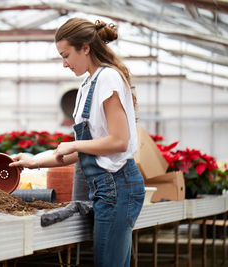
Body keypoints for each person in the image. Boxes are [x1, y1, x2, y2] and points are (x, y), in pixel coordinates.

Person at [10, 17, 145, 266]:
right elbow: (84, 151)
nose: (64, 64)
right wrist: (32, 162)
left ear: (85, 47)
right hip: (105, 190)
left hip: (118, 186)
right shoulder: (87, 85)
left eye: (66, 55)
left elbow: (119, 141)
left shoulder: (108, 78)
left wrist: (75, 145)